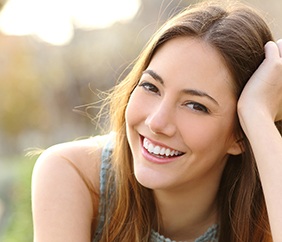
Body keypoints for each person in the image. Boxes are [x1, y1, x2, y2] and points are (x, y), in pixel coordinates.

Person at [31, 0, 282, 241]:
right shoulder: (73, 175)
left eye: (196, 106)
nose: (156, 122)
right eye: (151, 87)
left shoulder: (269, 202)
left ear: (240, 135)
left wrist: (258, 116)